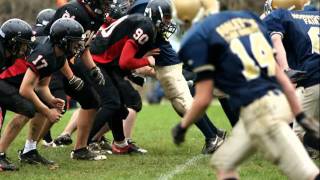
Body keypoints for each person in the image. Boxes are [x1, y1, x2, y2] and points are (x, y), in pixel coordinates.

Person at [170, 0, 320, 179]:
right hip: (273, 104)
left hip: (261, 112)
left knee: (306, 173)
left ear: (185, 18)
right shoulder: (247, 19)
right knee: (224, 163)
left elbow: (203, 99)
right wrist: (300, 115)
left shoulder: (196, 39)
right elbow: (281, 75)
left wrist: (182, 126)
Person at [128, 0, 227, 154]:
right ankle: (215, 133)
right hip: (166, 63)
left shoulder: (142, 9)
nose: (169, 22)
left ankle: (212, 137)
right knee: (182, 106)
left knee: (184, 104)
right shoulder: (139, 9)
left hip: (167, 65)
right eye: (166, 18)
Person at [263, 0, 320, 151]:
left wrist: (285, 69)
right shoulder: (314, 13)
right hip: (312, 74)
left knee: (299, 135)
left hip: (313, 76)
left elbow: (275, 39)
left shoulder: (279, 14)